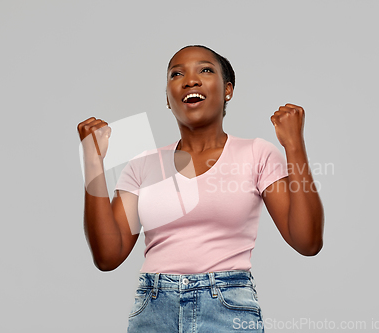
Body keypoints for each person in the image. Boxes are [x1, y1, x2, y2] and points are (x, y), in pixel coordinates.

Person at [77, 45, 324, 333]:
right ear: (168, 99)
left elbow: (308, 241)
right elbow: (108, 256)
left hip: (227, 309)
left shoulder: (256, 153)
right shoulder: (143, 165)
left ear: (228, 90)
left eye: (205, 70)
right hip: (153, 312)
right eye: (176, 74)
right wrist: (93, 162)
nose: (190, 79)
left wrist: (294, 145)